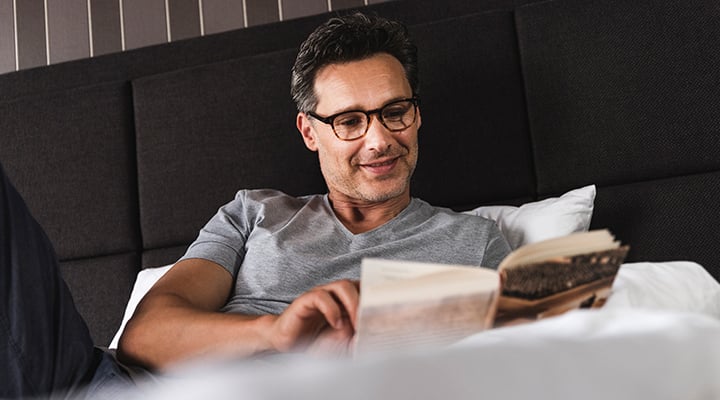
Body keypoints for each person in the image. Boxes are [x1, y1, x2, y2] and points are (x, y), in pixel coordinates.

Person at [0, 13, 510, 399]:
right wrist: (277, 332)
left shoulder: (474, 242)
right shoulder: (255, 212)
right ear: (310, 132)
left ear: (416, 115)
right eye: (350, 122)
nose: (379, 140)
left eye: (395, 112)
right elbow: (144, 337)